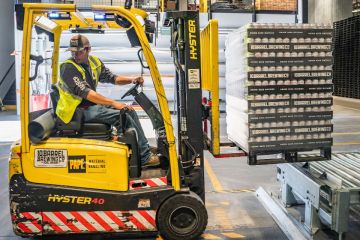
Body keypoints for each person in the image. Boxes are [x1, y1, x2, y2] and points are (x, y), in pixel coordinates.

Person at [56, 34, 159, 167]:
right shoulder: (68, 67)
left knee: (129, 111)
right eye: (73, 52)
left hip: (89, 106)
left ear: (88, 50)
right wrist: (113, 103)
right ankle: (144, 157)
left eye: (79, 52)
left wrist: (132, 79)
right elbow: (86, 93)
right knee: (123, 116)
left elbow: (112, 78)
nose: (75, 55)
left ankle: (142, 147)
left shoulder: (94, 62)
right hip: (75, 111)